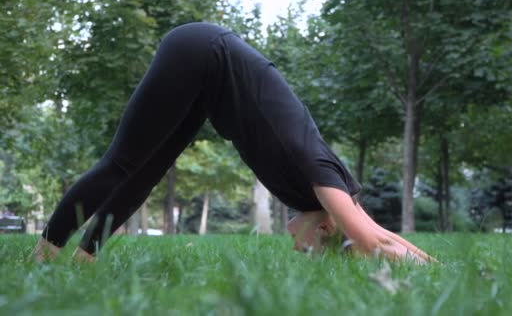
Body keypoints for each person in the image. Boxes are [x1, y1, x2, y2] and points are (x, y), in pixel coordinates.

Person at [31, 22, 432, 264]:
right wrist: (428, 271)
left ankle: (84, 261)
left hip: (209, 84)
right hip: (202, 52)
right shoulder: (321, 177)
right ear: (327, 225)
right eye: (309, 248)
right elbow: (372, 240)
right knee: (121, 164)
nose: (297, 248)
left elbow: (380, 231)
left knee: (143, 174)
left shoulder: (324, 191)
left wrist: (431, 260)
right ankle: (43, 257)